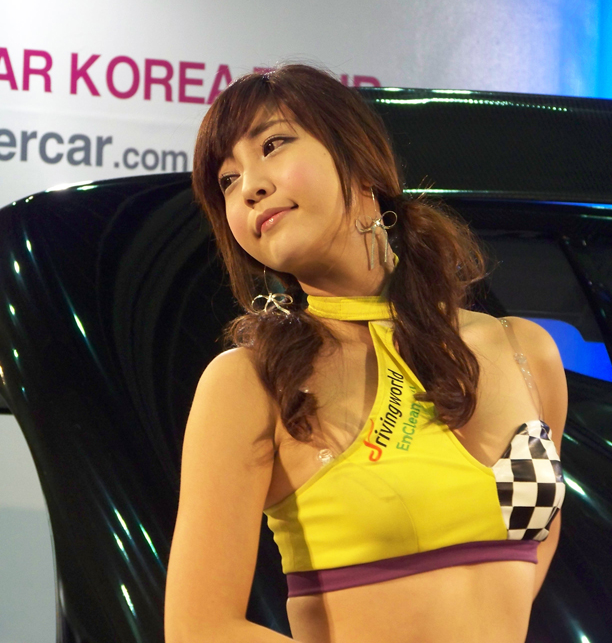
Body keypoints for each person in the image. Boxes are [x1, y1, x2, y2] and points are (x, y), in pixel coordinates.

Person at [164, 64, 567, 643]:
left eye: (272, 145)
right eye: (227, 180)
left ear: (357, 158)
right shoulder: (252, 380)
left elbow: (539, 538)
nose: (249, 186)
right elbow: (199, 629)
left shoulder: (523, 349)